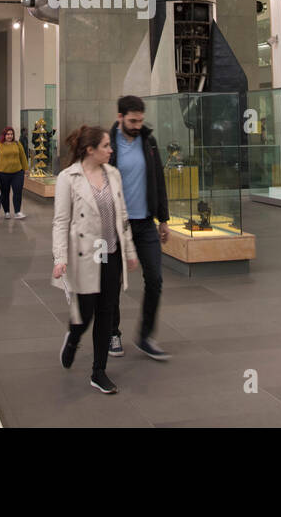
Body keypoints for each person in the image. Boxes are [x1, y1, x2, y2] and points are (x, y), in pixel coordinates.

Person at [51, 125, 138, 395]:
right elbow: (61, 221)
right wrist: (60, 258)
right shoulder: (69, 178)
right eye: (106, 146)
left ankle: (98, 371)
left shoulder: (113, 174)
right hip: (85, 255)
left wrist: (130, 252)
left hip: (111, 254)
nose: (111, 150)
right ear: (90, 150)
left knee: (107, 313)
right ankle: (74, 337)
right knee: (85, 313)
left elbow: (122, 215)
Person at [108, 95, 171, 361]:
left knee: (155, 279)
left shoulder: (149, 142)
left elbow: (158, 179)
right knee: (112, 283)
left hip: (145, 222)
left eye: (140, 120)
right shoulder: (107, 144)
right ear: (120, 117)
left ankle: (146, 336)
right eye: (132, 120)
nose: (137, 125)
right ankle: (113, 333)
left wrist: (163, 219)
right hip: (115, 225)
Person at [0, 126, 29, 219]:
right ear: (4, 135)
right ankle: (7, 212)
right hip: (2, 174)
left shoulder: (17, 144)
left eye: (11, 134)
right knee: (5, 193)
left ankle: (17, 212)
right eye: (8, 134)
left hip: (17, 173)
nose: (10, 136)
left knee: (17, 192)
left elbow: (23, 157)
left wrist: (26, 169)